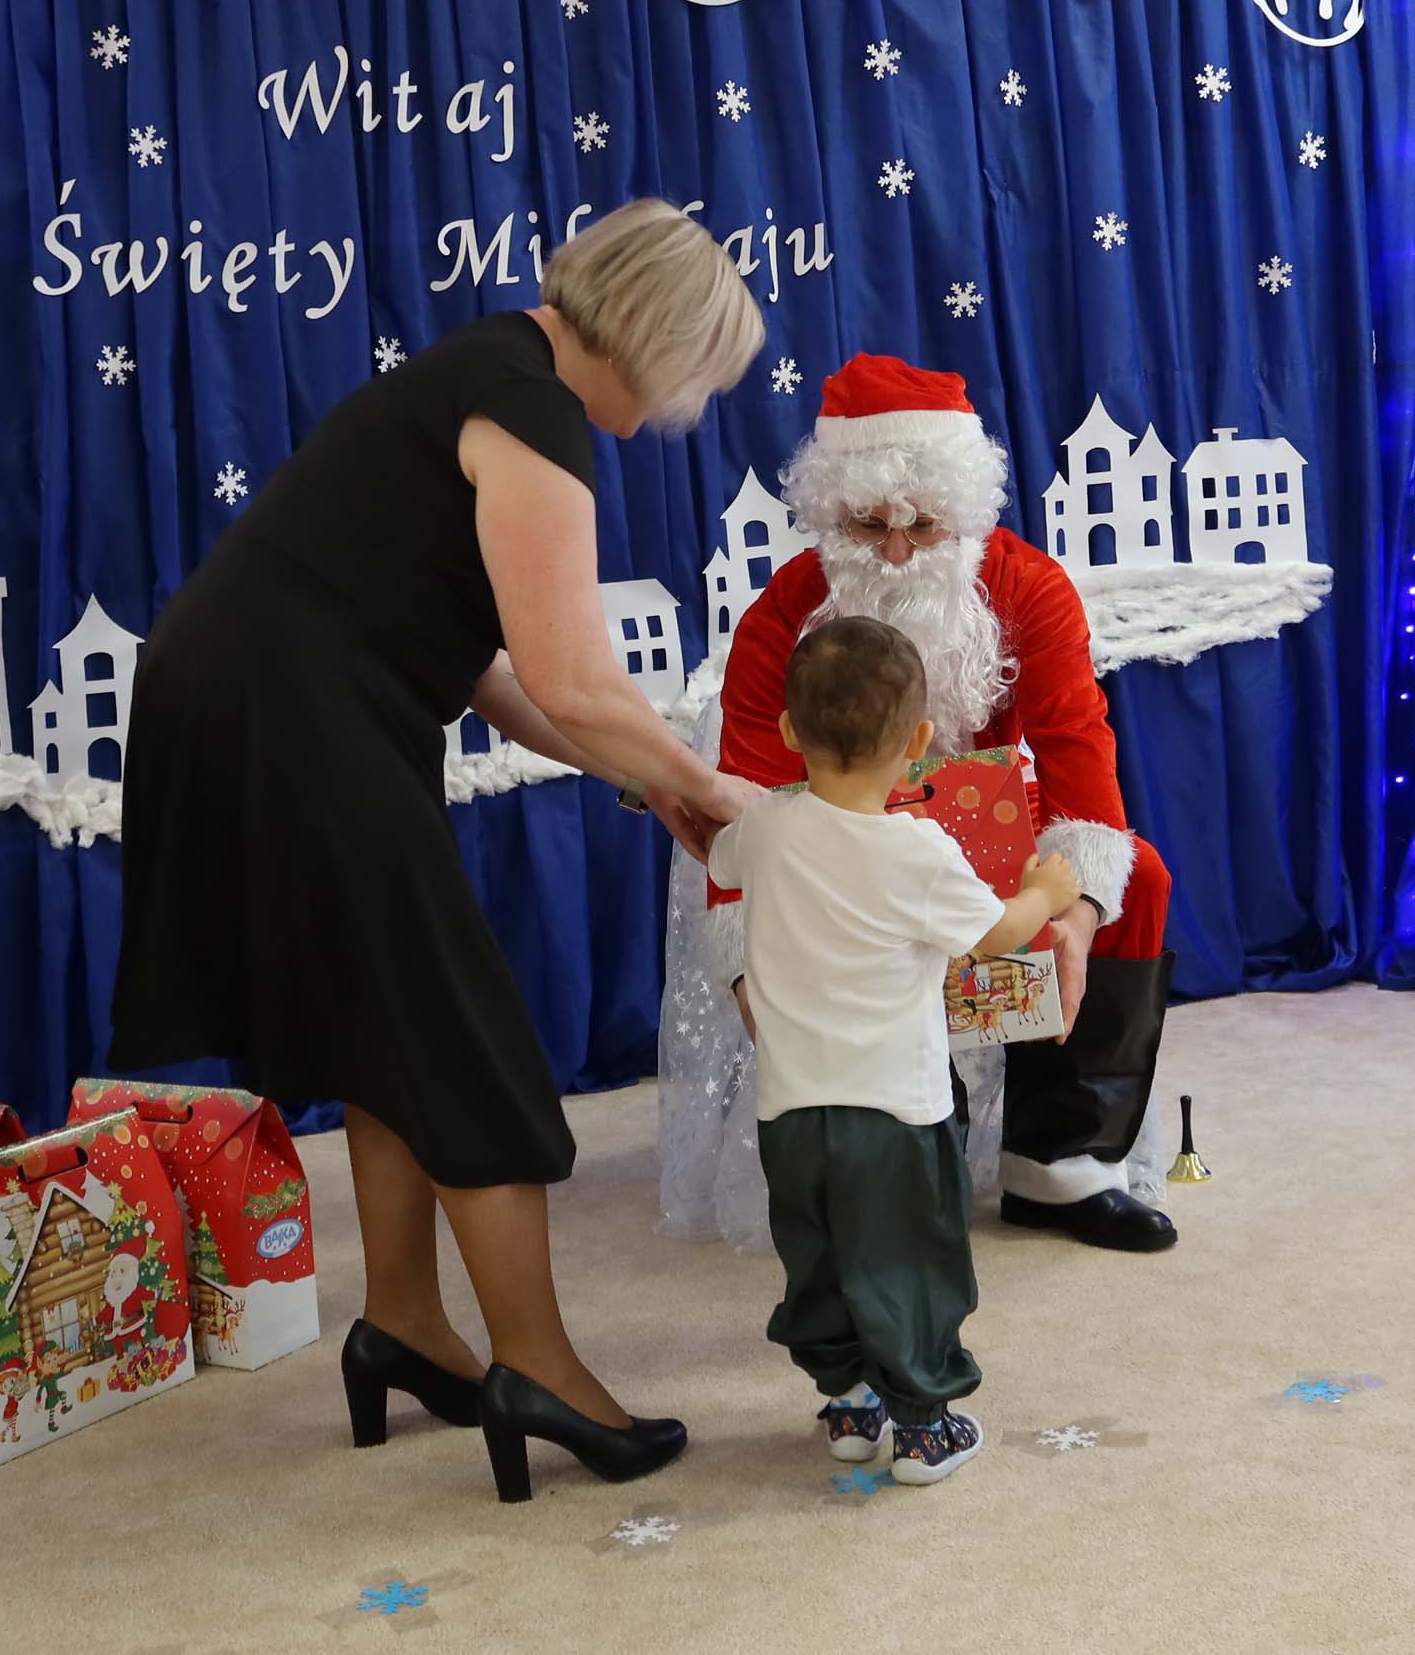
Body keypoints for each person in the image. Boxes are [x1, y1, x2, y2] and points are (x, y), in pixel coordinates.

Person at [108, 199, 767, 1504]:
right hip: (297, 713)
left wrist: (656, 785)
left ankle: (406, 1321)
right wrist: (710, 787)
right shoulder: (530, 406)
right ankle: (537, 1367)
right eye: (691, 376)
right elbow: (578, 681)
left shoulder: (481, 369)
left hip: (274, 697)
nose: (675, 410)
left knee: (385, 1024)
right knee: (461, 1034)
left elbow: (485, 669)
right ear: (654, 334)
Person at [683, 354, 1179, 1252]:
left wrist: (1078, 916)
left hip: (995, 818)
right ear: (829, 515)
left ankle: (1061, 1164)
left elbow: (1079, 752)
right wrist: (750, 970)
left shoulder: (1028, 587)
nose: (897, 551)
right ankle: (911, 1149)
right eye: (869, 525)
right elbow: (749, 807)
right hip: (838, 828)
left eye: (924, 524)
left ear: (966, 510)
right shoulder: (783, 616)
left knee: (1134, 878)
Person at [712, 617, 1082, 1487]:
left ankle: (849, 1405)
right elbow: (993, 935)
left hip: (791, 1110)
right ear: (918, 743)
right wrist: (1044, 892)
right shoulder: (917, 849)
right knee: (911, 1260)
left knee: (820, 1257)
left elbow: (722, 856)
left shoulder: (764, 829)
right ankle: (923, 1427)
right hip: (896, 1112)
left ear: (789, 730)